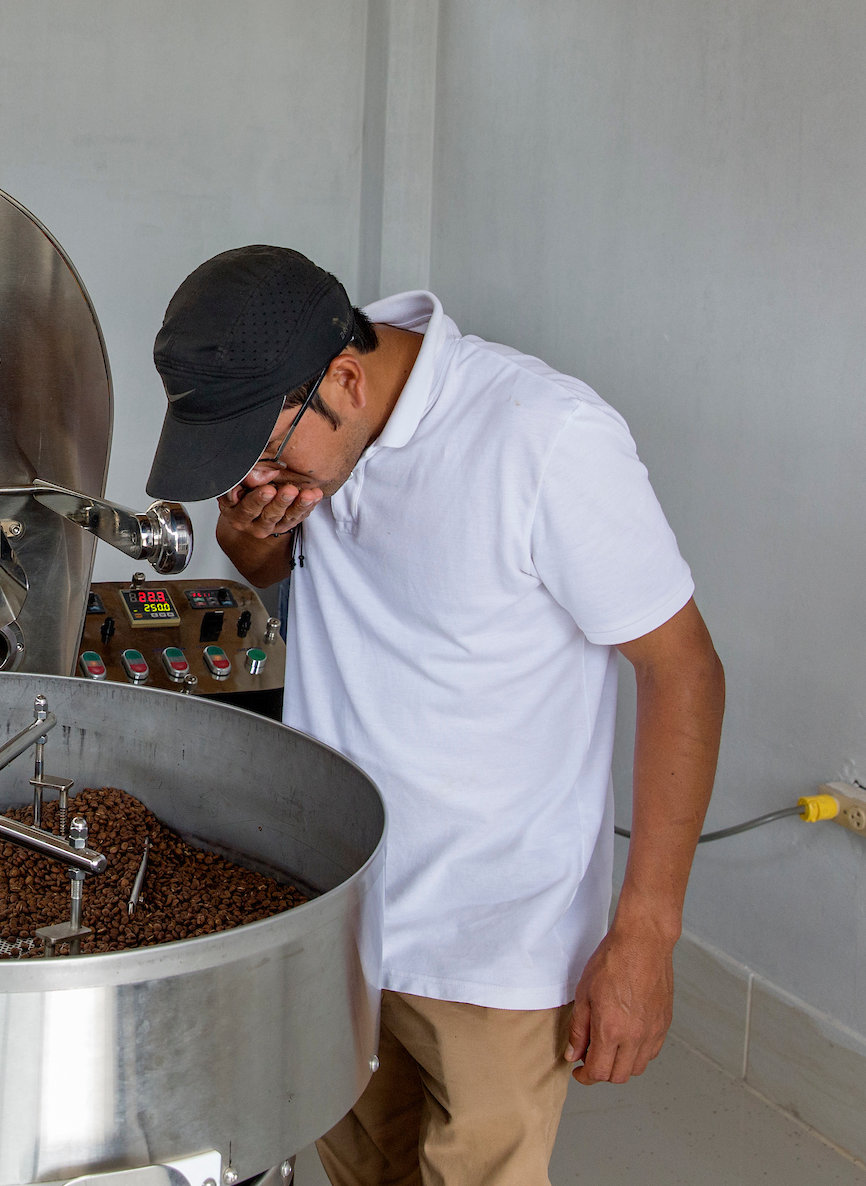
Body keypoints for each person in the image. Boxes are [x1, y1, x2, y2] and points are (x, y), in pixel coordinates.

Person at [147, 246, 725, 1186]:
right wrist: (250, 544)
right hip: (341, 913)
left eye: (261, 451)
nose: (254, 478)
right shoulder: (324, 429)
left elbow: (685, 671)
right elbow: (281, 573)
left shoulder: (546, 437)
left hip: (493, 944)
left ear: (344, 379)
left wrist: (647, 934)